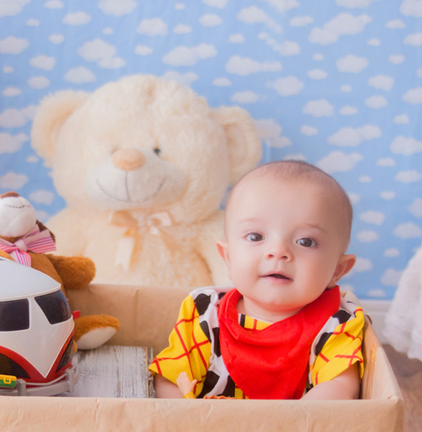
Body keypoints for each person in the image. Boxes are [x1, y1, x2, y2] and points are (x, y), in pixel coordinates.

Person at [151, 160, 364, 400]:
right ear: (228, 257)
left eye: (306, 241)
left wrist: (280, 429)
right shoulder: (204, 310)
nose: (278, 251)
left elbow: (339, 389)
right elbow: (170, 375)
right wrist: (182, 419)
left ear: (338, 269)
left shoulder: (337, 322)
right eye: (256, 236)